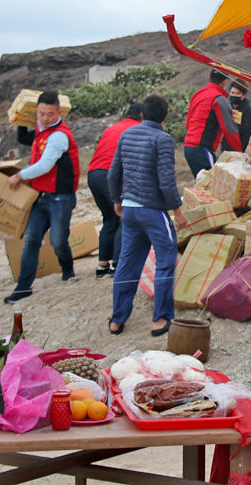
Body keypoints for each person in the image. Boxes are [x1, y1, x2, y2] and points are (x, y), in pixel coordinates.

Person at [108, 94, 187, 336]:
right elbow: (166, 180)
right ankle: (160, 318)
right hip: (153, 210)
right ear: (165, 117)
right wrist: (177, 210)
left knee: (127, 263)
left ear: (142, 115)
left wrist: (117, 200)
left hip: (130, 210)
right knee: (166, 260)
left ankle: (117, 319)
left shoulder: (126, 134)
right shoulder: (162, 139)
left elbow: (113, 173)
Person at [4, 91, 80, 303]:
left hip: (60, 198)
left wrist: (19, 176)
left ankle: (68, 269)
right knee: (32, 240)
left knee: (58, 241)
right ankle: (23, 287)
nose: (45, 118)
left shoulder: (59, 137)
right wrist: (21, 118)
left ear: (59, 113)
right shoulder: (40, 129)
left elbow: (45, 165)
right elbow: (23, 138)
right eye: (40, 114)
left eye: (50, 114)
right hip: (40, 196)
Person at [87, 102, 143, 278]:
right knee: (126, 216)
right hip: (110, 174)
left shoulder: (112, 128)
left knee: (109, 219)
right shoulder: (138, 129)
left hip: (93, 174)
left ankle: (102, 264)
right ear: (142, 116)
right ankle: (117, 263)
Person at [183, 69, 242, 178]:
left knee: (202, 182)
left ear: (209, 78)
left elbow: (188, 121)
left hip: (188, 146)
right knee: (212, 182)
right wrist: (239, 153)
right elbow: (229, 129)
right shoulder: (219, 99)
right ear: (225, 82)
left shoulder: (198, 94)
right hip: (202, 148)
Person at [222, 81, 251, 152]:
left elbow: (245, 129)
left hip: (241, 149)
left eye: (238, 93)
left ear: (244, 95)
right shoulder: (227, 107)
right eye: (232, 93)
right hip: (225, 147)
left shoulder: (248, 111)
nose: (234, 95)